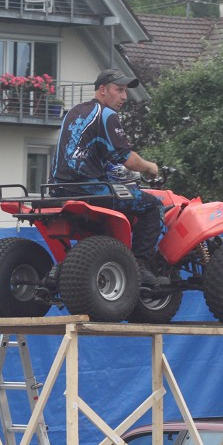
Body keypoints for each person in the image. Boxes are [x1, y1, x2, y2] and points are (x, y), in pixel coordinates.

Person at [48, 68, 164, 284]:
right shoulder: (107, 114)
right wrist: (150, 166)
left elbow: (92, 152)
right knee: (153, 206)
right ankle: (140, 266)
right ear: (102, 90)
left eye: (126, 92)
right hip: (89, 189)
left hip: (59, 189)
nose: (124, 97)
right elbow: (127, 158)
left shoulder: (74, 111)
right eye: (119, 90)